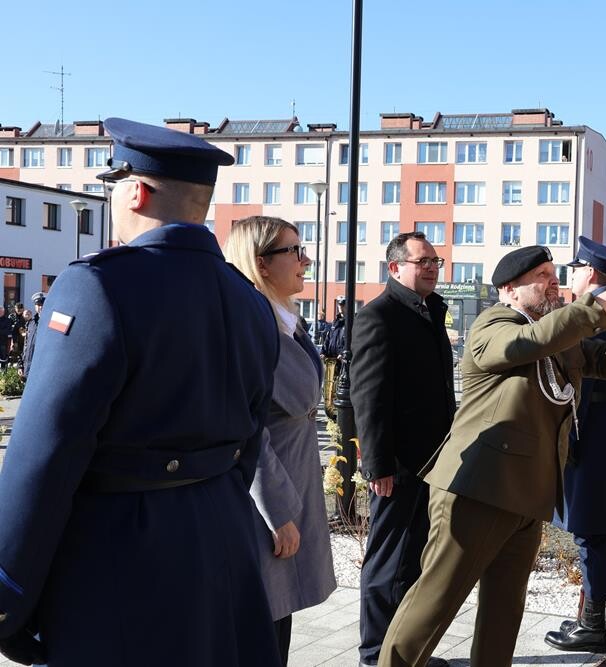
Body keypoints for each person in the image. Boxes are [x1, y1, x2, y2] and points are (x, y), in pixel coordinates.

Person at [0, 117, 283, 667]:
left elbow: (44, 456)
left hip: (119, 557)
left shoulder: (97, 284)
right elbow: (248, 445)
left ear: (135, 188)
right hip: (221, 541)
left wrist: (9, 595)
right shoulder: (250, 301)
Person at [378, 245, 606, 667]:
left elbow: (598, 360)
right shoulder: (495, 324)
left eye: (553, 273)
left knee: (504, 612)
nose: (553, 281)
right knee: (435, 601)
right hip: (478, 490)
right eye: (541, 275)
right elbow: (531, 342)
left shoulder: (555, 333)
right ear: (509, 290)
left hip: (528, 494)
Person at [225, 216, 338, 666]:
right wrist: (279, 513)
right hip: (265, 504)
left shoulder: (286, 320)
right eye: (294, 251)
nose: (305, 260)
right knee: (260, 628)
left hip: (292, 486)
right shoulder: (252, 327)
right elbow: (249, 428)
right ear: (261, 263)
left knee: (278, 622)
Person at [351, 231, 456, 667]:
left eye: (436, 261)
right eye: (423, 261)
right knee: (387, 563)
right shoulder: (380, 315)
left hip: (433, 461)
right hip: (398, 464)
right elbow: (369, 397)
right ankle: (375, 654)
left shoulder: (429, 310)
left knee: (415, 561)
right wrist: (378, 465)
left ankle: (405, 649)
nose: (432, 267)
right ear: (395, 268)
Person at [544, 237, 606, 653]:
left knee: (590, 532)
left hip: (590, 428)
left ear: (589, 272)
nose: (571, 276)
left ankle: (593, 625)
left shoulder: (584, 314)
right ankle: (596, 617)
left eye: (574, 269)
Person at [18, 292, 46, 380]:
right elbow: (26, 345)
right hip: (28, 367)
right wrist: (21, 365)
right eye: (37, 305)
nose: (40, 307)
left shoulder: (50, 323)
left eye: (42, 304)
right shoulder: (31, 323)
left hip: (42, 367)